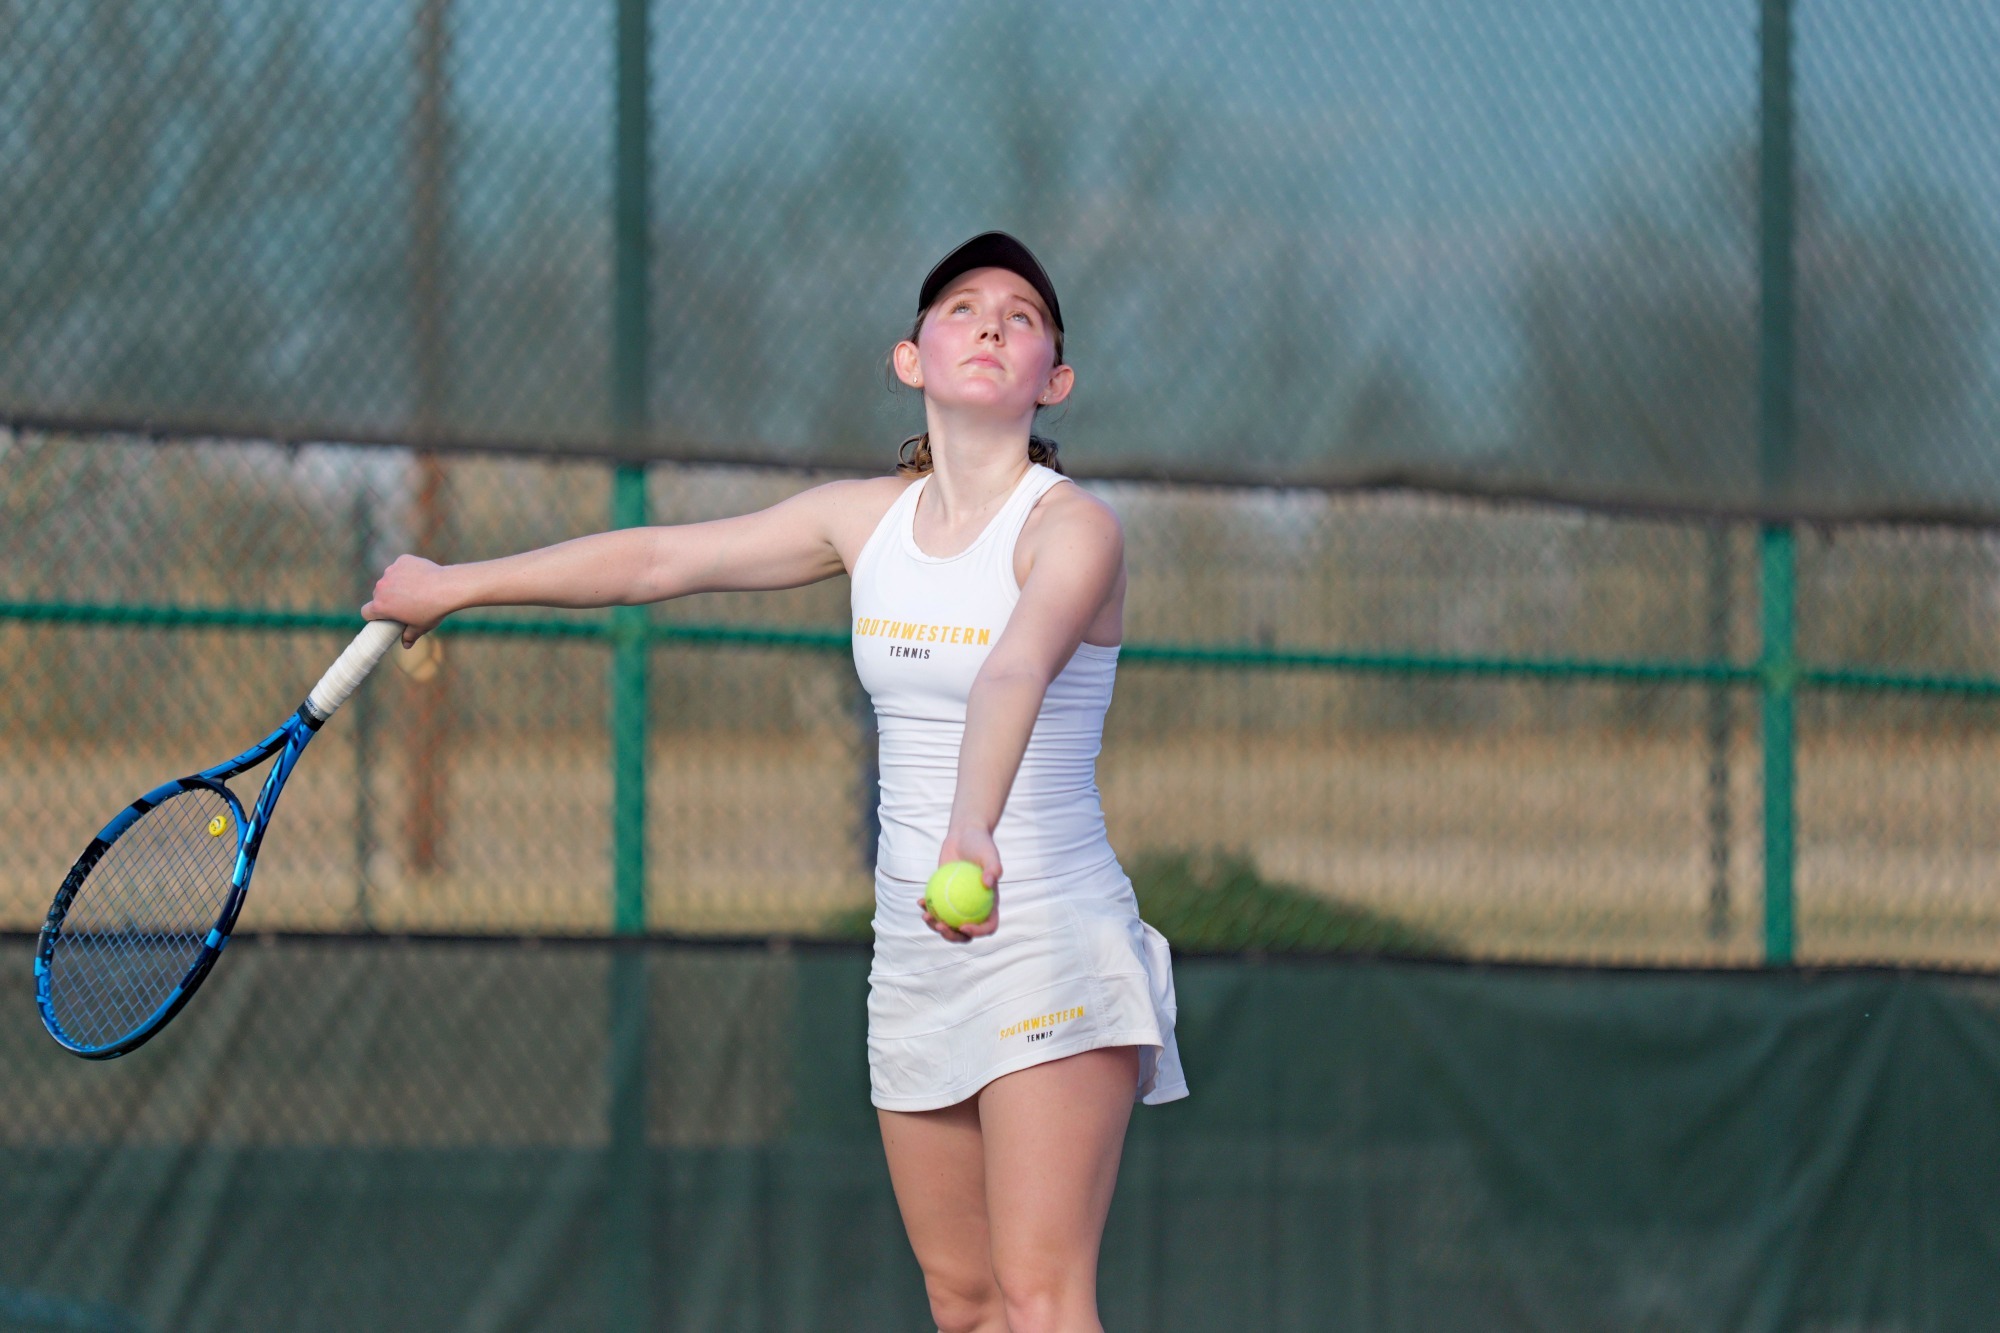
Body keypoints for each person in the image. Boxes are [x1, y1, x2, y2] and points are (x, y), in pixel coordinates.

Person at [364, 232, 1186, 1333]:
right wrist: (450, 583)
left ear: (1055, 380)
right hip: (915, 950)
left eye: (1022, 316)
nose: (991, 322)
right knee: (966, 1302)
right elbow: (660, 560)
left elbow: (1014, 669)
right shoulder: (862, 520)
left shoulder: (1072, 527)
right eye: (961, 307)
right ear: (911, 359)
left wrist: (969, 830)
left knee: (1041, 1300)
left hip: (1043, 930)